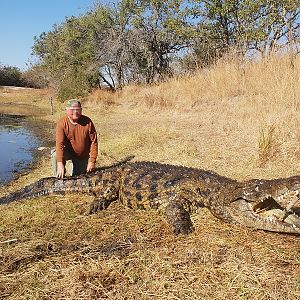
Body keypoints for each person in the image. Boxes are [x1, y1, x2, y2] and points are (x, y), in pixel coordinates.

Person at [51, 99, 98, 178]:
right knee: (55, 154)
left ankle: (74, 167)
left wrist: (92, 161)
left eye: (78, 110)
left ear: (81, 110)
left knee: (78, 177)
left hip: (82, 156)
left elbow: (94, 142)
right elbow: (59, 144)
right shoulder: (62, 123)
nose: (75, 112)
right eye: (72, 110)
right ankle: (58, 177)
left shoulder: (88, 122)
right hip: (68, 152)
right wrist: (60, 163)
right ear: (67, 110)